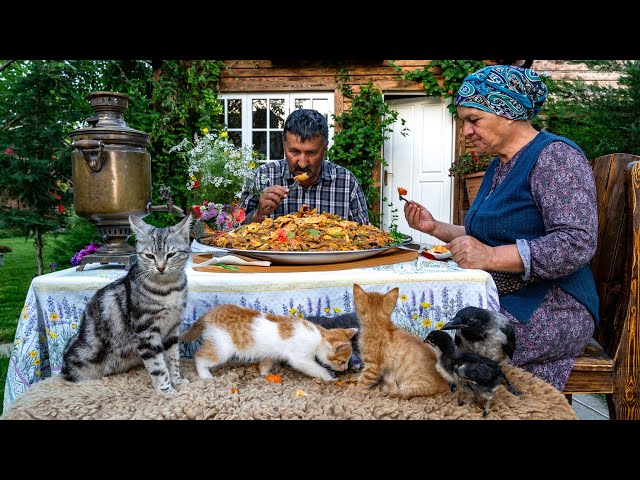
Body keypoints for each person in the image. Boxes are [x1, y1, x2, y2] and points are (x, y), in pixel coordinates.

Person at [404, 64, 599, 391]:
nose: (466, 131)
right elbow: (482, 240)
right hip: (504, 294)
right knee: (419, 320)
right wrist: (434, 226)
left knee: (444, 345)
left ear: (507, 113)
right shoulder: (500, 166)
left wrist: (492, 257)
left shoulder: (555, 157)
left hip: (554, 305)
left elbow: (576, 242)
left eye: (473, 120)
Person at [238, 108, 370, 225]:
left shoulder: (347, 181)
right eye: (294, 152)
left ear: (325, 149)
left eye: (311, 153)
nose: (302, 163)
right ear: (284, 146)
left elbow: (366, 238)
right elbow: (234, 230)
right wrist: (259, 214)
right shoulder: (261, 176)